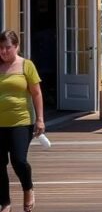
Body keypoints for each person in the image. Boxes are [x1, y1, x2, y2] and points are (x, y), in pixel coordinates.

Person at [0, 30, 43, 212]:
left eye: (7, 48)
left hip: (21, 121)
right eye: (0, 48)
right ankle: (5, 203)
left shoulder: (26, 65)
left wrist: (40, 119)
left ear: (16, 47)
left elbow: (36, 93)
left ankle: (28, 188)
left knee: (18, 160)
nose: (3, 52)